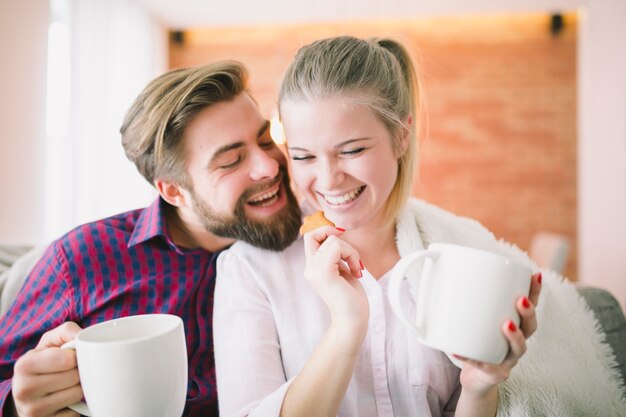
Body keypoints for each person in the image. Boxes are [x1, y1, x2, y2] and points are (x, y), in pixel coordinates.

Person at [213, 36, 626, 416]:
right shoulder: (249, 270)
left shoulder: (455, 254)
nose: (327, 179)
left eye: (352, 150)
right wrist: (347, 325)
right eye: (303, 157)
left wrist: (480, 387)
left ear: (401, 136)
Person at [0, 61, 302, 417]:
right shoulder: (84, 258)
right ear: (173, 191)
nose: (269, 166)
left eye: (266, 139)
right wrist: (18, 403)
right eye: (232, 161)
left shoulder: (314, 241)